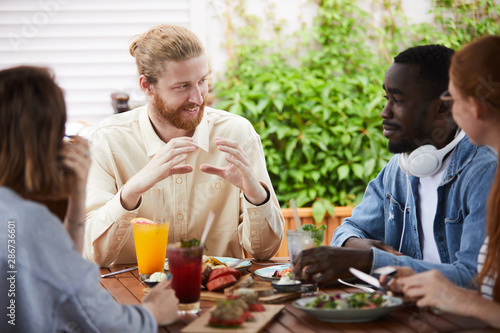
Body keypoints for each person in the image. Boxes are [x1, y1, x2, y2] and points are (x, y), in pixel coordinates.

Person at [292, 44, 497, 288]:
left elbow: (475, 280)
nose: (384, 112)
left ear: (442, 107)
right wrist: (359, 247)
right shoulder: (400, 168)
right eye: (386, 98)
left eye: (397, 99)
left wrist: (371, 261)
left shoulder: (485, 172)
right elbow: (349, 230)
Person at [83, 24, 284, 267]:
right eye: (182, 86)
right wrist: (131, 191)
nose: (198, 98)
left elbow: (265, 252)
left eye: (202, 81)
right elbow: (93, 255)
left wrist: (255, 195)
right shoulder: (107, 141)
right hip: (132, 298)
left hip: (220, 296)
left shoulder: (237, 134)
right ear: (147, 86)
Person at [0, 66, 178, 331]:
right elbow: (101, 320)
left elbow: (64, 268)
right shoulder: (24, 222)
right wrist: (152, 312)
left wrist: (78, 192)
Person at [384, 36, 500, 328]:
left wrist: (458, 297)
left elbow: (476, 286)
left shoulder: (485, 170)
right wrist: (431, 284)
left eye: (451, 99)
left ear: (474, 107)